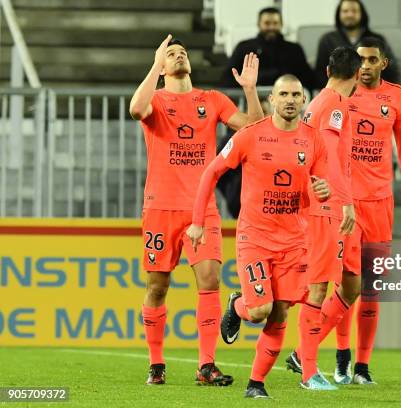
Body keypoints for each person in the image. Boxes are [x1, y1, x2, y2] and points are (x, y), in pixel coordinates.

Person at [129, 35, 264, 386]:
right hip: (160, 208)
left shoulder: (211, 100)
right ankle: (156, 363)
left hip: (201, 210)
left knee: (209, 280)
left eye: (181, 52)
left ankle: (206, 365)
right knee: (157, 286)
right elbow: (136, 110)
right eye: (171, 54)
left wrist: (250, 90)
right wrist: (155, 64)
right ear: (162, 67)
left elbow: (255, 130)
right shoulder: (156, 99)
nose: (178, 56)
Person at [186, 74, 331, 399]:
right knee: (260, 310)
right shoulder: (251, 135)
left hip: (295, 242)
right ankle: (238, 305)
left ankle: (256, 384)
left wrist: (324, 190)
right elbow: (212, 172)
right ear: (272, 100)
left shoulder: (313, 139)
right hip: (255, 239)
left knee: (279, 312)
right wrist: (197, 221)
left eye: (296, 94)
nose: (290, 99)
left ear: (304, 100)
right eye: (284, 94)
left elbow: (322, 186)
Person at [331, 36, 401, 384]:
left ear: (383, 63)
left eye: (371, 60)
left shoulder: (397, 97)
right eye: (360, 60)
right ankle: (341, 358)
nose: (364, 66)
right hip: (346, 206)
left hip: (381, 204)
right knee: (346, 285)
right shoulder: (341, 94)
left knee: (372, 288)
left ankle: (363, 366)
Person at [283, 47, 360, 390]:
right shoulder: (334, 105)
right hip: (325, 206)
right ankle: (308, 370)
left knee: (346, 283)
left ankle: (304, 357)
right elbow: (327, 157)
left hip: (322, 204)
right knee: (317, 287)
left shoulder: (320, 103)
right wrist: (345, 202)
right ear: (358, 75)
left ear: (328, 68)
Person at [220, 7, 315, 90]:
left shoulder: (294, 50)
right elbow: (227, 79)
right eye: (267, 23)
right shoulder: (244, 47)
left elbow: (308, 79)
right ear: (259, 24)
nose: (271, 27)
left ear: (281, 24)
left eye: (275, 23)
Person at [314, 0, 401, 89]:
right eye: (345, 11)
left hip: (372, 94)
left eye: (354, 11)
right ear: (339, 14)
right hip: (338, 94)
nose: (350, 15)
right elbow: (320, 74)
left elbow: (391, 71)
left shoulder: (378, 39)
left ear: (362, 14)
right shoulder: (327, 40)